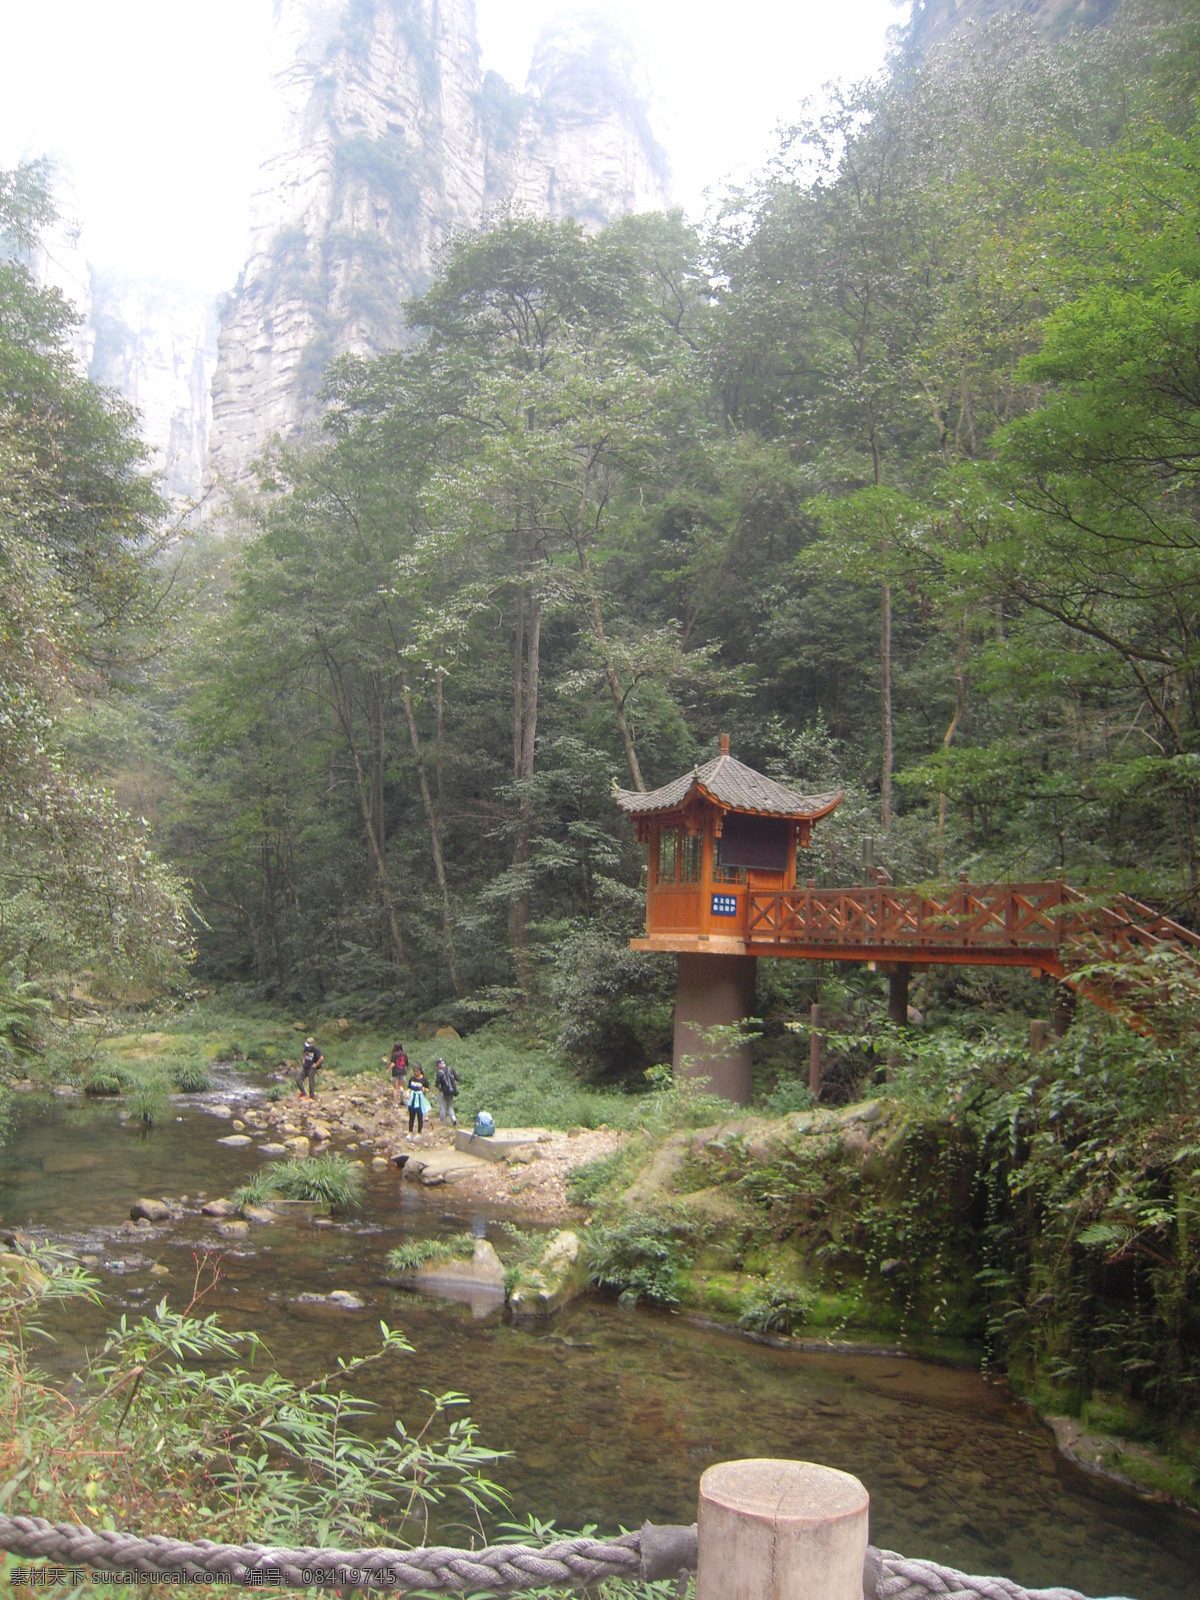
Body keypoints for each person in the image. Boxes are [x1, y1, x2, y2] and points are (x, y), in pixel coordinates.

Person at [406, 1061, 430, 1139]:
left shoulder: (424, 1079)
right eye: (414, 1071)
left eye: (417, 1071)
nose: (416, 1073)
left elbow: (427, 1089)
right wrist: (408, 1092)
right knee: (411, 1116)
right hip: (412, 1099)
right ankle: (410, 1132)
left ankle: (419, 1132)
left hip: (420, 1099)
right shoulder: (412, 1079)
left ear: (420, 1071)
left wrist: (424, 1089)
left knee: (420, 1116)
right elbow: (409, 1087)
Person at [434, 1056, 459, 1127]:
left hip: (443, 1092)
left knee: (442, 1107)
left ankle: (443, 1124)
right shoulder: (451, 1069)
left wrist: (433, 1094)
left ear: (439, 1065)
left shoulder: (440, 1072)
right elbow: (457, 1080)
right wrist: (452, 1085)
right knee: (450, 1107)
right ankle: (454, 1119)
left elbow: (437, 1084)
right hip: (451, 1092)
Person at [387, 1043, 409, 1107]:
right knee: (401, 1086)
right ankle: (403, 1097)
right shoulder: (405, 1054)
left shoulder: (394, 1054)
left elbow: (393, 1064)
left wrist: (388, 1070)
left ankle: (395, 1103)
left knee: (395, 1088)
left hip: (396, 1073)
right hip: (403, 1072)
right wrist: (407, 1071)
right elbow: (407, 1064)